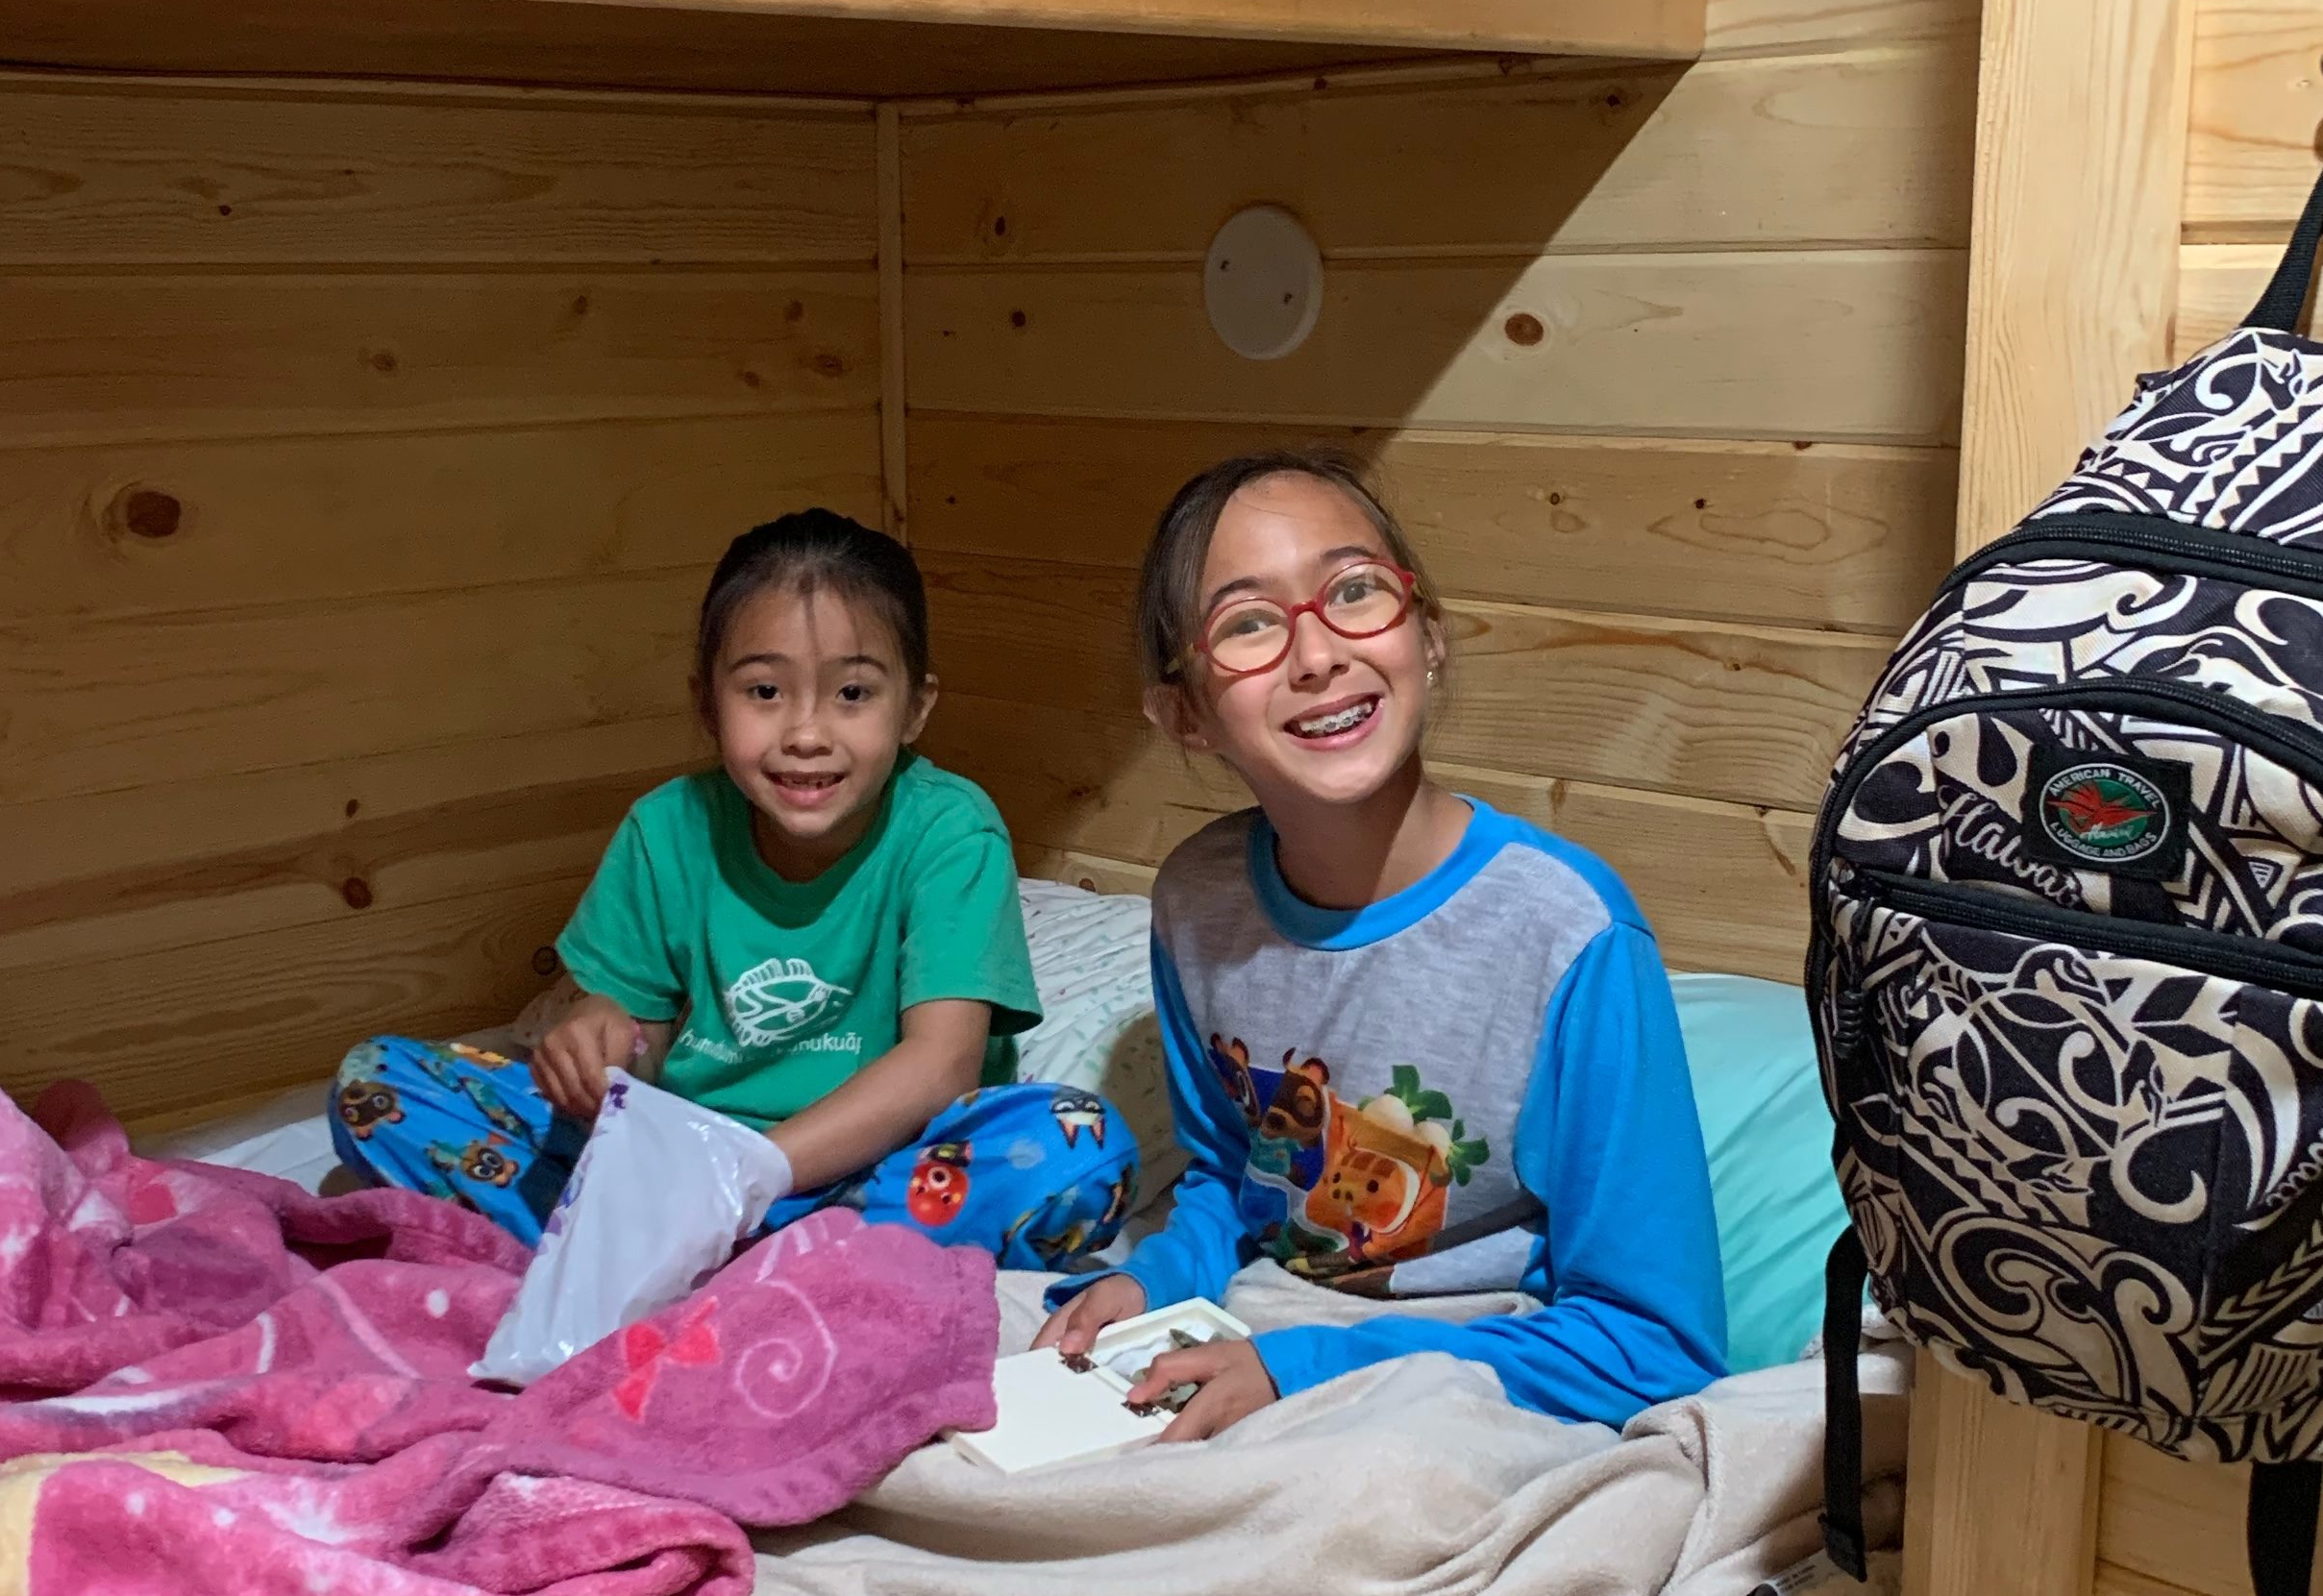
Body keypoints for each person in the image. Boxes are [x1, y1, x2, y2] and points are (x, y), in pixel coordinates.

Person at [1044, 449, 1725, 1435]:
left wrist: (1313, 1367)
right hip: (1262, 1321)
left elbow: (1654, 1343)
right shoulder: (1198, 902)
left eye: (1355, 592)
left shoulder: (1566, 934)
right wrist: (1153, 1281)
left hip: (1479, 1361)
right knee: (985, 1354)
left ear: (1429, 633)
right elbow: (1227, 1179)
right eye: (1247, 624)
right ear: (1186, 714)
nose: (1317, 655)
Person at [332, 509, 1135, 1267]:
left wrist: (751, 1178)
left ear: (914, 708)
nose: (807, 734)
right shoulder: (669, 828)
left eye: (853, 693)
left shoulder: (949, 832)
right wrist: (597, 1035)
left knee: (1077, 1148)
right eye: (763, 691)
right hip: (683, 1163)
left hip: (875, 1172)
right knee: (377, 1083)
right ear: (707, 706)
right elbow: (633, 1037)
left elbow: (943, 1065)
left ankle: (727, 1256)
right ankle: (724, 1258)